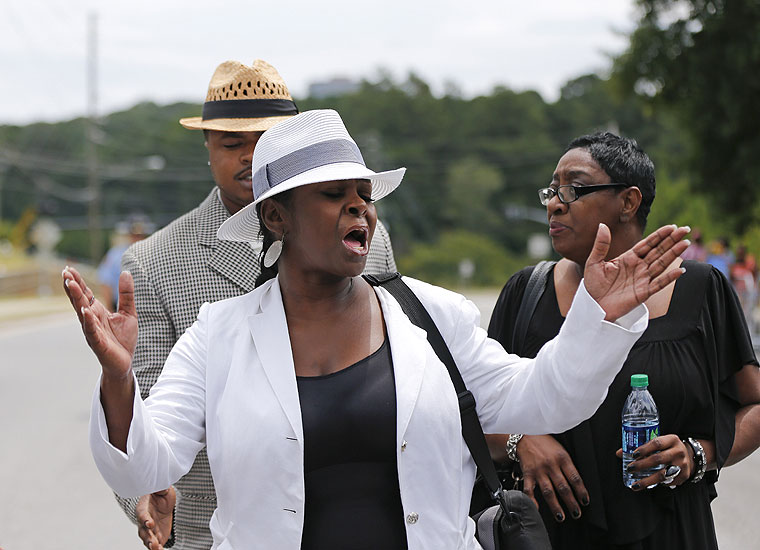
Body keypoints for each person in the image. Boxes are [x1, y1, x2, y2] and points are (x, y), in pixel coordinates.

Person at [63, 110, 688, 550]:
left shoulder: (430, 315)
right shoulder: (219, 336)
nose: (359, 206)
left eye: (364, 193)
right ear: (276, 217)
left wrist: (598, 320)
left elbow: (547, 398)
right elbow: (146, 466)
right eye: (334, 194)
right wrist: (118, 377)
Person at [113, 61, 399, 549]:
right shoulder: (154, 262)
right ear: (206, 147)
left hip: (359, 514)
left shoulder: (363, 237)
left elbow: (407, 366)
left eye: (267, 140)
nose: (251, 157)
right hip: (217, 528)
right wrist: (144, 493)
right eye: (232, 143)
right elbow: (143, 417)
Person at [486, 132, 760, 550]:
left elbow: (754, 404)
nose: (554, 203)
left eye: (573, 189)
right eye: (552, 190)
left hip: (671, 531)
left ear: (629, 202)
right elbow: (468, 412)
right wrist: (520, 440)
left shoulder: (701, 291)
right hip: (549, 534)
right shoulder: (526, 293)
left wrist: (697, 454)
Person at [97, 217, 154, 310]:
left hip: (147, 307)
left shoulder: (152, 254)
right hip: (121, 307)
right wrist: (110, 311)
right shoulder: (115, 255)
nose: (137, 239)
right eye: (134, 235)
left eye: (140, 235)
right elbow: (106, 283)